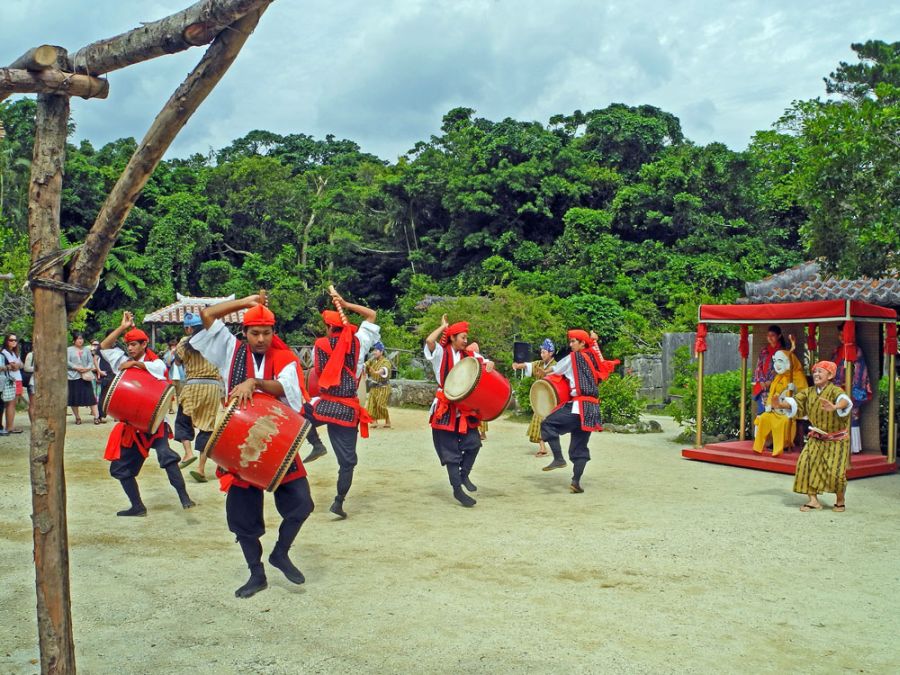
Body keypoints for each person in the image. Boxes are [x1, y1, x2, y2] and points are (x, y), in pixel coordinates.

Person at [191, 294, 314, 598]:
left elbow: (288, 388)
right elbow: (207, 315)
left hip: (278, 440)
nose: (261, 339)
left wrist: (255, 383)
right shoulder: (230, 351)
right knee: (243, 519)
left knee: (302, 503)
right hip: (237, 442)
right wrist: (245, 303)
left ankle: (280, 553)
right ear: (244, 333)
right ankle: (256, 574)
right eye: (255, 333)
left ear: (274, 332)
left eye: (267, 333)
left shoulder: (285, 358)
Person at [99, 313, 196, 516]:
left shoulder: (156, 362)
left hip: (155, 422)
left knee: (166, 457)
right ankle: (137, 506)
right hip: (133, 426)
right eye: (129, 345)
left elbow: (158, 371)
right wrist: (122, 327)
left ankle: (184, 497)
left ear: (144, 345)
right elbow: (104, 347)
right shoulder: (122, 359)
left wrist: (134, 364)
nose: (131, 348)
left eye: (135, 344)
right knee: (120, 469)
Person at [301, 290, 380, 519]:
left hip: (325, 405)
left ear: (328, 327)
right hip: (347, 410)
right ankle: (338, 501)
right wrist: (345, 303)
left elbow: (318, 373)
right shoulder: (360, 342)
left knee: (300, 413)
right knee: (347, 463)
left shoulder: (320, 345)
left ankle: (316, 443)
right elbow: (371, 314)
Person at [423, 315, 494, 508]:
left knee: (474, 443)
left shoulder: (468, 356)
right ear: (453, 337)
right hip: (445, 408)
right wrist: (443, 327)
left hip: (463, 408)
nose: (465, 340)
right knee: (451, 452)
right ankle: (457, 490)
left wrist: (489, 364)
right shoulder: (440, 353)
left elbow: (485, 362)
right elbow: (430, 341)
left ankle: (464, 476)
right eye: (462, 337)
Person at [775, 361, 853, 512]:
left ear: (830, 375)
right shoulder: (809, 392)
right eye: (815, 371)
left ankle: (840, 499)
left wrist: (835, 406)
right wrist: (780, 405)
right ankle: (813, 500)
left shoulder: (835, 391)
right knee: (805, 465)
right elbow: (795, 402)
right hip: (816, 437)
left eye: (820, 372)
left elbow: (845, 400)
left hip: (836, 440)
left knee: (835, 472)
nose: (816, 374)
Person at [540, 329, 605, 493]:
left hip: (578, 406)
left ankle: (558, 458)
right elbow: (602, 363)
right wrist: (595, 342)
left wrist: (545, 372)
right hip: (592, 409)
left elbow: (556, 369)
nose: (571, 345)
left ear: (582, 343)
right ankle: (575, 483)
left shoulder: (573, 358)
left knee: (547, 424)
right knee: (580, 448)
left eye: (574, 341)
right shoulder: (592, 359)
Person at [171, 312, 224, 477]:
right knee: (207, 428)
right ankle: (201, 469)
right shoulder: (215, 340)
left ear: (188, 328)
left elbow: (178, 361)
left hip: (193, 385)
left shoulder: (184, 342)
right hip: (213, 388)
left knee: (182, 421)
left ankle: (188, 453)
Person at [752, 349, 808, 456]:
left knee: (783, 421)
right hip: (775, 409)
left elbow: (802, 397)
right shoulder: (778, 377)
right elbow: (772, 393)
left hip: (789, 410)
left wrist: (794, 389)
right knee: (763, 417)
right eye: (775, 361)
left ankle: (781, 446)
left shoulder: (798, 377)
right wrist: (769, 404)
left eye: (780, 361)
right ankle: (759, 446)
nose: (777, 364)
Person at [512, 338, 557, 456]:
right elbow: (528, 365)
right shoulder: (539, 364)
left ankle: (546, 448)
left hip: (551, 399)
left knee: (544, 423)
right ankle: (543, 448)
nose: (542, 354)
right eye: (541, 352)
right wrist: (517, 365)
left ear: (551, 353)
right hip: (540, 400)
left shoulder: (556, 366)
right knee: (539, 421)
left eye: (544, 352)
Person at [832, 324, 872, 454]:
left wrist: (849, 387)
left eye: (844, 334)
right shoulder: (837, 351)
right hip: (837, 389)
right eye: (840, 335)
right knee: (836, 417)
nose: (842, 337)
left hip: (852, 389)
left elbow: (860, 372)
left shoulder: (856, 351)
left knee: (853, 416)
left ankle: (853, 447)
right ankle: (837, 444)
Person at [752, 325, 789, 417]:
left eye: (772, 335)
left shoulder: (783, 352)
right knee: (761, 412)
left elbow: (783, 369)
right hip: (762, 386)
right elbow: (758, 367)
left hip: (776, 385)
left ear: (779, 336)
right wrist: (761, 381)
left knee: (773, 412)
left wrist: (770, 381)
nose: (770, 338)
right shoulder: (764, 350)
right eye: (768, 335)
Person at [67, 332, 101, 424]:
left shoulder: (86, 349)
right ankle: (77, 418)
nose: (80, 340)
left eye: (81, 338)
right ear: (74, 340)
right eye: (78, 339)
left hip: (85, 376)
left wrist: (86, 368)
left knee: (90, 397)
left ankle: (96, 417)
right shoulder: (69, 350)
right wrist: (76, 367)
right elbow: (66, 362)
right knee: (74, 399)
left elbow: (91, 361)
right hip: (73, 376)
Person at [364, 341, 392, 428]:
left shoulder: (386, 361)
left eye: (376, 350)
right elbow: (365, 365)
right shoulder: (372, 360)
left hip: (383, 387)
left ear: (381, 352)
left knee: (380, 404)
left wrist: (377, 372)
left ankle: (387, 419)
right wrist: (364, 366)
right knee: (372, 405)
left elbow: (384, 369)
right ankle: (374, 421)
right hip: (374, 386)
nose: (374, 352)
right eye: (374, 350)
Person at [1, 334, 25, 434]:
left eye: (15, 340)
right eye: (11, 340)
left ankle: (9, 425)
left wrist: (18, 365)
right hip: (11, 379)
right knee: (10, 404)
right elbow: (15, 366)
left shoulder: (14, 353)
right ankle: (9, 427)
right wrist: (17, 365)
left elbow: (21, 365)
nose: (13, 342)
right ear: (7, 341)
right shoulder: (5, 352)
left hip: (17, 378)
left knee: (12, 403)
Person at [93, 339, 115, 423]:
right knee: (103, 395)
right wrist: (99, 371)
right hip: (104, 373)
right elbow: (95, 359)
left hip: (113, 372)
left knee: (114, 394)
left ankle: (115, 415)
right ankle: (99, 416)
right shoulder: (101, 348)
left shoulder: (117, 347)